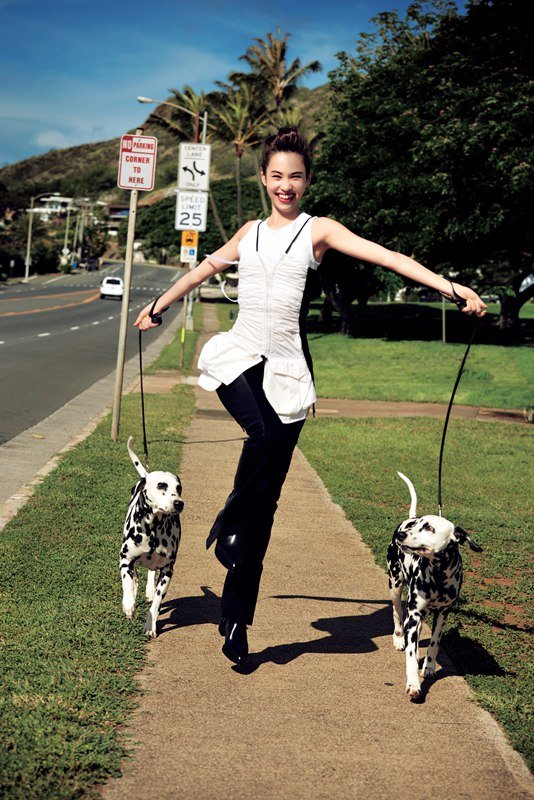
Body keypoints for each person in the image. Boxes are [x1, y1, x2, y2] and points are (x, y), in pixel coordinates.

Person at [135, 127, 487, 666]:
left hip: (289, 371)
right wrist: (158, 304)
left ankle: (235, 618)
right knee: (260, 437)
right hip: (240, 356)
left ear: (307, 181)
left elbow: (387, 257)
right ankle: (229, 523)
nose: (285, 185)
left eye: (295, 176)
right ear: (263, 179)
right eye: (276, 175)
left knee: (267, 502)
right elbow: (206, 267)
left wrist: (451, 287)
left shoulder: (316, 231)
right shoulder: (249, 233)